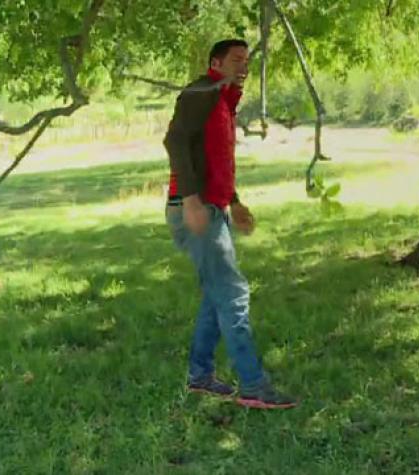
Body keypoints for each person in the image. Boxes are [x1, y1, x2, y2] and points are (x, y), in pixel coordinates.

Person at [163, 39, 297, 409]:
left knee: (216, 293)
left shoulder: (221, 100)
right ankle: (254, 386)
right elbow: (174, 141)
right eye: (236, 60)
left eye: (247, 61)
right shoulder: (202, 91)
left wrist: (233, 202)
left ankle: (200, 376)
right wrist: (191, 201)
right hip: (193, 208)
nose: (244, 66)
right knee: (233, 293)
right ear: (215, 62)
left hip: (211, 206)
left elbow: (212, 161)